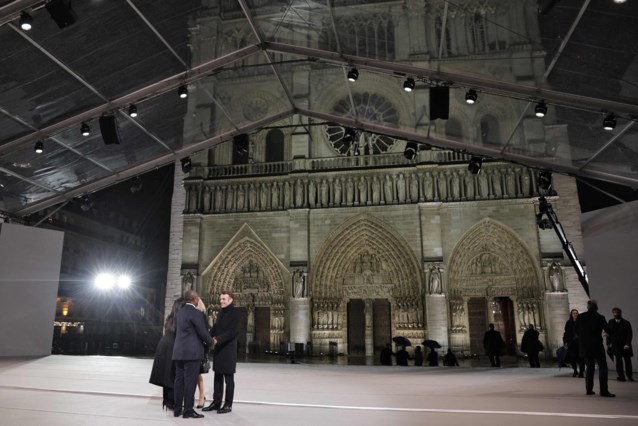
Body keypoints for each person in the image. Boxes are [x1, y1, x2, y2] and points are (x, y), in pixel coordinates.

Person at [172, 290, 213, 418]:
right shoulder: (196, 313)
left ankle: (177, 409)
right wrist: (211, 341)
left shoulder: (180, 312)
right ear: (194, 299)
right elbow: (203, 332)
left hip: (179, 352)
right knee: (190, 382)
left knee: (179, 381)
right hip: (192, 353)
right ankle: (188, 410)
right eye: (197, 298)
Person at [203, 291, 240, 414]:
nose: (221, 301)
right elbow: (215, 328)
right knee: (217, 377)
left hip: (228, 350)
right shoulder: (220, 312)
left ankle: (228, 404)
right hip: (219, 349)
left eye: (224, 299)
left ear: (231, 300)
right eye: (221, 299)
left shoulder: (236, 313)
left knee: (229, 379)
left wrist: (217, 340)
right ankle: (216, 402)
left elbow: (232, 332)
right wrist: (207, 337)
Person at [149, 297, 184, 411]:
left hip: (164, 345)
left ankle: (167, 401)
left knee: (166, 375)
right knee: (172, 375)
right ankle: (172, 402)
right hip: (171, 346)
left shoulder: (170, 318)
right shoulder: (181, 318)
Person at [575, 299, 615, 397]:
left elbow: (575, 330)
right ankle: (604, 391)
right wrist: (608, 333)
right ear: (596, 308)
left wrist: (583, 338)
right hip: (597, 346)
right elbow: (608, 330)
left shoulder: (581, 317)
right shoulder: (600, 317)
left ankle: (589, 390)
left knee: (589, 367)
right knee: (603, 367)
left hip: (585, 346)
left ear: (587, 307)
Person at [607, 307, 633, 382]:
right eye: (614, 312)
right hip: (616, 345)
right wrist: (609, 343)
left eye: (617, 312)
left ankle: (629, 376)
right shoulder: (610, 322)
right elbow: (608, 333)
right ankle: (621, 376)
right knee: (618, 361)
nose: (615, 314)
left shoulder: (626, 322)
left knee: (627, 361)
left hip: (625, 345)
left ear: (620, 313)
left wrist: (627, 344)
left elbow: (629, 334)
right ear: (613, 313)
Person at [563, 309, 585, 377]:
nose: (575, 314)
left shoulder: (581, 322)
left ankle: (581, 371)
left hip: (580, 343)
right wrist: (565, 342)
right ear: (571, 315)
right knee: (573, 357)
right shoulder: (568, 322)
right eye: (574, 313)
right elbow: (566, 333)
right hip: (571, 343)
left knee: (581, 357)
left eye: (576, 313)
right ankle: (575, 370)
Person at [195, 299, 209, 409]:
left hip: (198, 346)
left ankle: (201, 396)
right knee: (194, 373)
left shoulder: (201, 315)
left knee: (197, 372)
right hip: (190, 346)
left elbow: (203, 332)